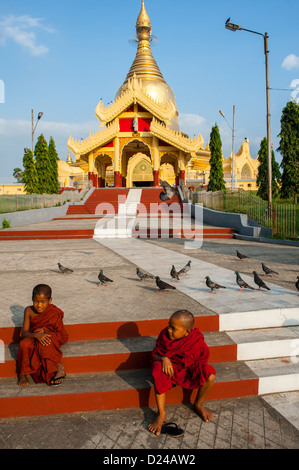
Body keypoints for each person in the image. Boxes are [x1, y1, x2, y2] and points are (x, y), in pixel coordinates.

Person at [148, 310, 216, 436]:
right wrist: (163, 358)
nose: (169, 330)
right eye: (169, 325)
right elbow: (154, 356)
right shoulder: (164, 335)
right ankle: (161, 414)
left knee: (210, 373)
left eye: (173, 328)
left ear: (187, 332)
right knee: (157, 368)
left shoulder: (196, 340)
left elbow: (202, 360)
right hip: (170, 369)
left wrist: (193, 369)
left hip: (188, 369)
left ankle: (198, 404)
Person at [17, 284, 68, 387]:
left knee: (45, 341)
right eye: (36, 301)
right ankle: (22, 373)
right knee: (24, 344)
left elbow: (60, 333)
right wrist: (36, 335)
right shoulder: (29, 311)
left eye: (43, 302)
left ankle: (58, 366)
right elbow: (24, 333)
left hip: (50, 335)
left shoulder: (54, 312)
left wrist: (45, 331)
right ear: (32, 299)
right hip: (34, 335)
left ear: (50, 300)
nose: (39, 305)